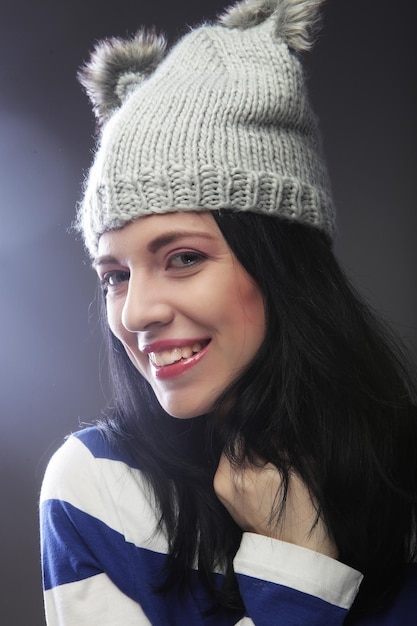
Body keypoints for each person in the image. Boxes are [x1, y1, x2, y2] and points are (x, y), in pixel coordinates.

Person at [39, 1, 417, 624]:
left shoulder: (400, 474)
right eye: (114, 275)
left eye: (183, 257)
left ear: (282, 265)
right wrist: (295, 569)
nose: (136, 313)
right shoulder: (94, 489)